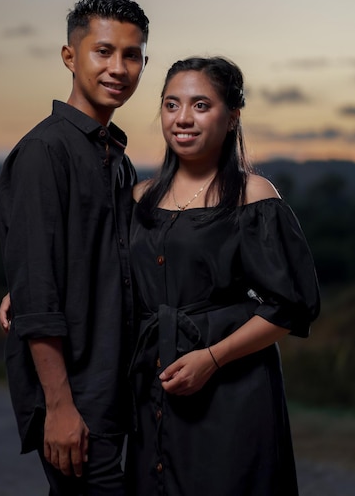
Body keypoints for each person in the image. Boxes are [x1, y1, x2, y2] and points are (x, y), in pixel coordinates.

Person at [127, 56, 320, 496]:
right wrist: (22, 293)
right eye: (171, 105)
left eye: (200, 105)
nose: (182, 119)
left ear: (231, 117)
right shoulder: (139, 196)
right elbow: (99, 272)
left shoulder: (252, 194)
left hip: (232, 389)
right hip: (150, 387)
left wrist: (212, 358)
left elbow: (290, 305)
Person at [0, 0, 149, 496]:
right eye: (103, 52)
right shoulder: (44, 152)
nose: (119, 68)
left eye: (132, 55)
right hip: (75, 396)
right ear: (70, 56)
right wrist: (59, 407)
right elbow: (38, 296)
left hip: (116, 387)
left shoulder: (116, 159)